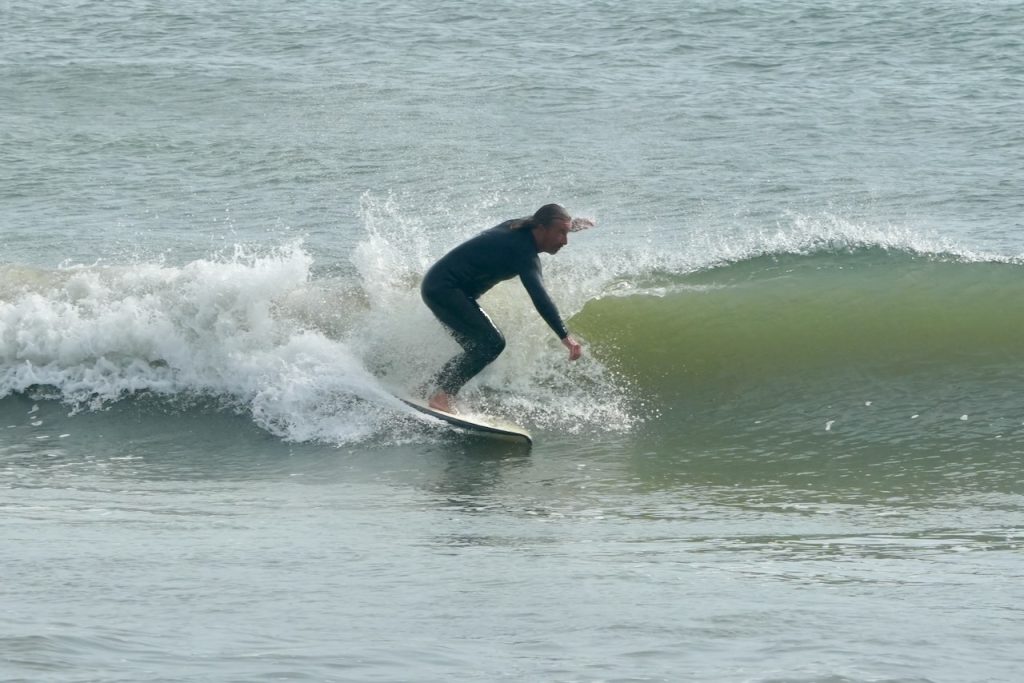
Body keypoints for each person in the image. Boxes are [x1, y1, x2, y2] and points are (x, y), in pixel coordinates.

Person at [420, 203, 594, 413]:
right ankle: (442, 396)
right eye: (560, 233)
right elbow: (540, 296)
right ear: (542, 229)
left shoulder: (523, 227)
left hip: (440, 287)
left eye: (566, 233)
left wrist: (572, 226)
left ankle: (428, 389)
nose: (564, 241)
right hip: (444, 289)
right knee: (492, 343)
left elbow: (545, 219)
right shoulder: (523, 252)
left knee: (478, 349)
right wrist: (565, 336)